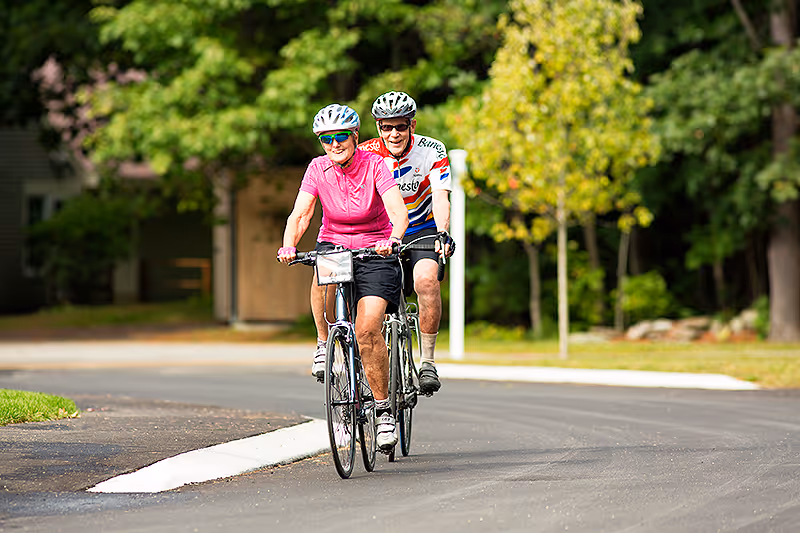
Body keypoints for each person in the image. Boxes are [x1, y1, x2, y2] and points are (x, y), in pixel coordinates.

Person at [277, 103, 409, 452]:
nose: (334, 144)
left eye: (340, 137)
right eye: (326, 139)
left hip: (375, 250)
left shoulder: (375, 164)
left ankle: (383, 413)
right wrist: (289, 244)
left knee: (367, 329)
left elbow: (397, 210)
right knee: (321, 273)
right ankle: (324, 343)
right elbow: (302, 212)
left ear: (354, 136)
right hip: (335, 244)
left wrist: (393, 238)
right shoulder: (317, 169)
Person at [359, 91, 454, 396]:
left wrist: (442, 231)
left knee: (426, 281)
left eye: (400, 126)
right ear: (378, 128)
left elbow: (441, 197)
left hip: (422, 229)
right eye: (386, 127)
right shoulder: (365, 153)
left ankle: (427, 361)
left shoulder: (431, 150)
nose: (394, 133)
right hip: (381, 234)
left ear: (412, 125)